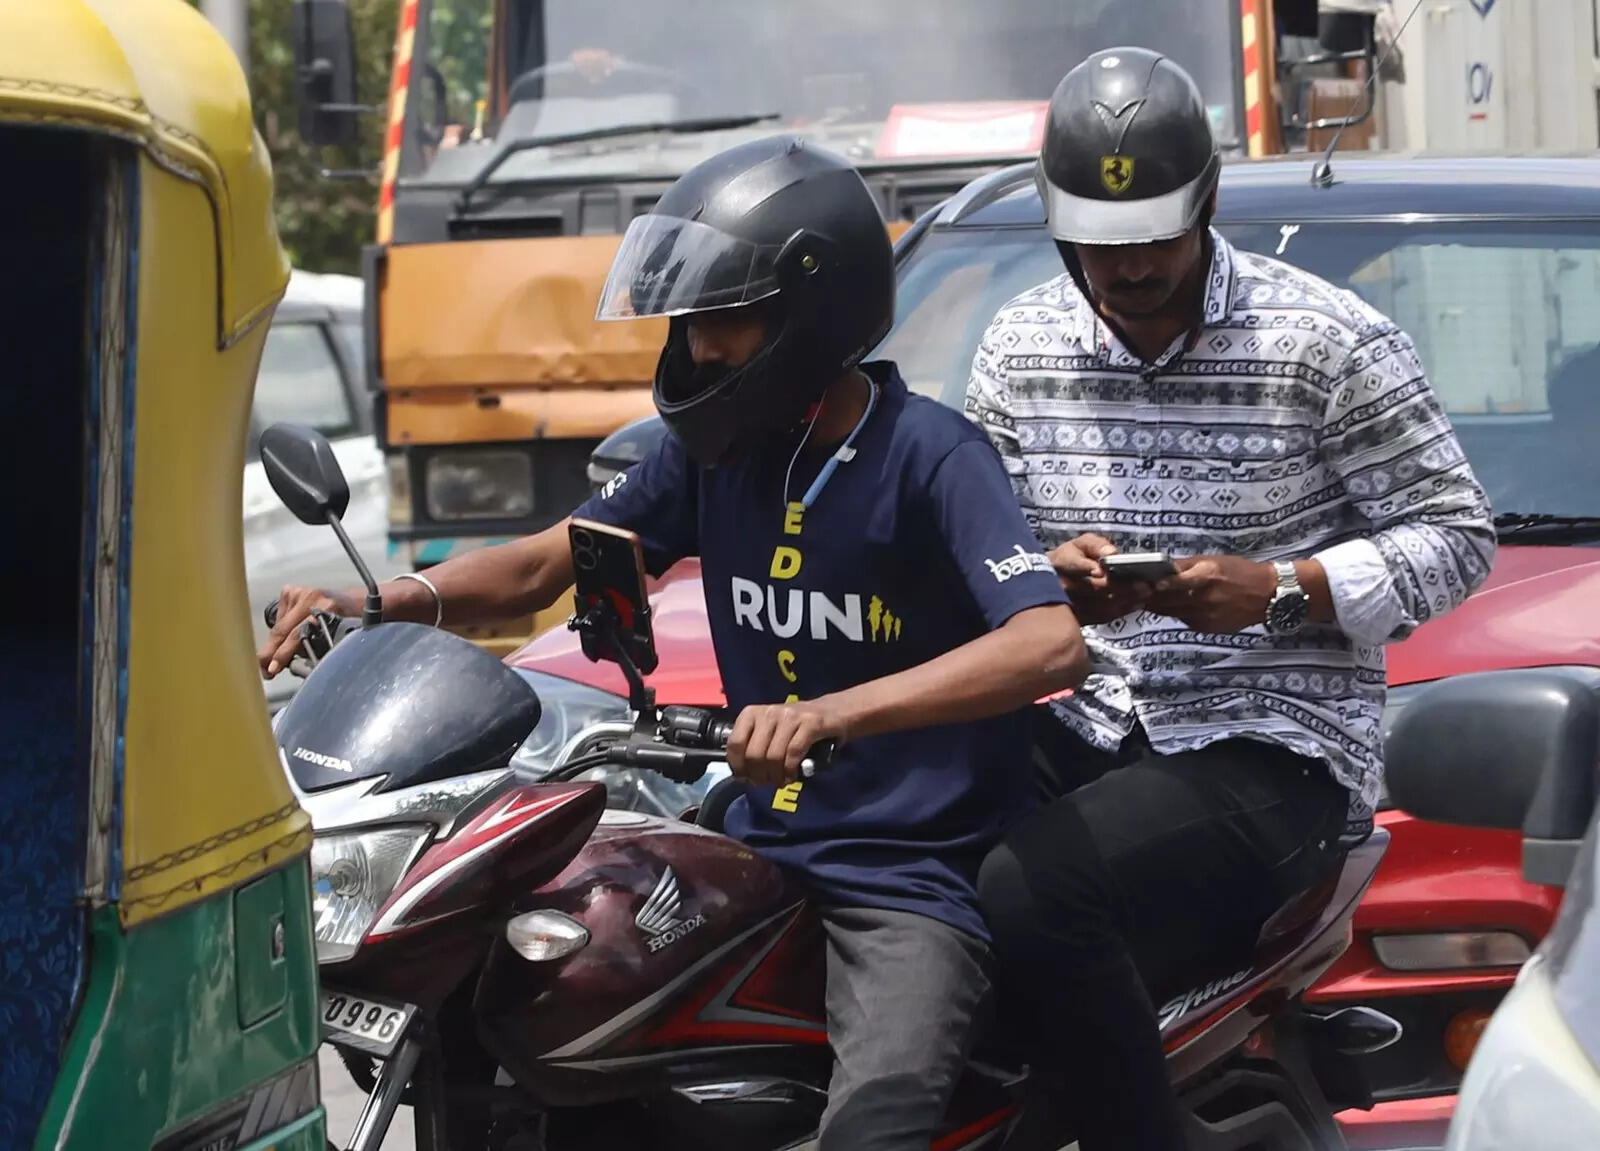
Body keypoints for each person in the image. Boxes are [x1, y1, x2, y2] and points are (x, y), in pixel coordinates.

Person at [263, 135, 1089, 1150]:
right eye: (691, 324)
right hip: (746, 837)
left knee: (873, 1128)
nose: (698, 350)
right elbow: (538, 567)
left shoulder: (930, 458)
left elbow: (1047, 644)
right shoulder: (715, 460)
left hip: (903, 869)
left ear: (811, 313)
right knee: (537, 1015)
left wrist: (833, 712)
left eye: (726, 323)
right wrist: (382, 599)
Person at [964, 48, 1496, 1151]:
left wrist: (1286, 592)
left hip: (1271, 747)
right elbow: (981, 550)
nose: (1123, 266)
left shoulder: (1323, 339)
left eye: (1150, 233)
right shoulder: (1017, 347)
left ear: (1204, 201)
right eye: (1096, 242)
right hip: (1074, 720)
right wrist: (1044, 579)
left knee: (1030, 889)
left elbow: (1455, 539)